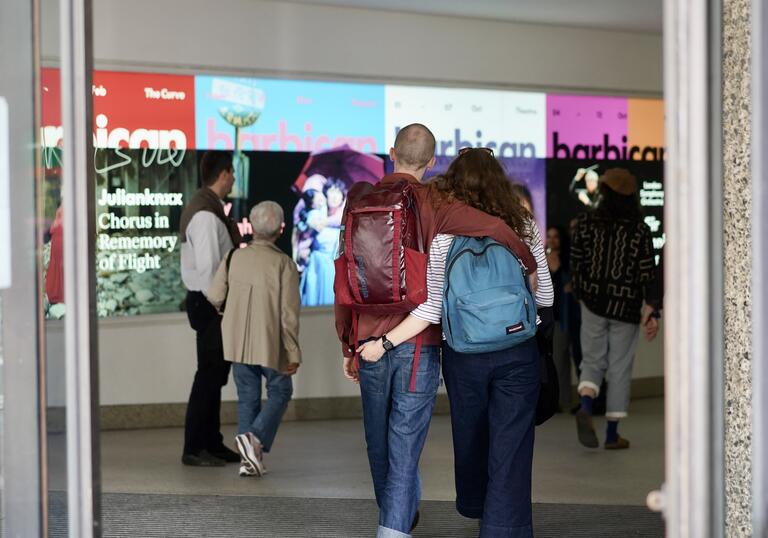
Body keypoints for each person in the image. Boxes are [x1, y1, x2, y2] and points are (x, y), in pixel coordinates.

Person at [335, 125, 536, 538]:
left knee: (378, 441)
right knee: (404, 444)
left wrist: (347, 343)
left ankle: (398, 512)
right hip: (419, 343)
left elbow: (343, 273)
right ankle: (394, 525)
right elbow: (496, 229)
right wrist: (528, 264)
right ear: (431, 161)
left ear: (391, 152)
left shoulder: (358, 200)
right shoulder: (436, 201)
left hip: (367, 338)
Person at [207, 201, 301, 477]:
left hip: (236, 340)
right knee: (281, 391)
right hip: (270, 340)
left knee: (247, 397)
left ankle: (249, 460)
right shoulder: (284, 264)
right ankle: (254, 439)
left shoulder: (234, 257)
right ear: (281, 230)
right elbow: (289, 315)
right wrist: (293, 352)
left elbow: (214, 296)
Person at [570, 168, 656, 450]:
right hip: (626, 306)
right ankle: (611, 435)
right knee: (619, 366)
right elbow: (647, 272)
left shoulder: (585, 223)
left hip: (593, 302)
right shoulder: (639, 230)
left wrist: (582, 293)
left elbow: (576, 262)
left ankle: (585, 405)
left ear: (604, 192)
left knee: (592, 360)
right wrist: (652, 308)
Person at [179, 151, 242, 467]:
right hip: (209, 304)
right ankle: (194, 447)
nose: (233, 178)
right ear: (224, 174)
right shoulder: (204, 214)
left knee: (215, 374)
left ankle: (212, 442)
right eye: (232, 172)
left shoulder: (209, 207)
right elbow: (207, 269)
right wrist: (219, 305)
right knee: (207, 375)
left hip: (212, 303)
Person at [547, 226, 576, 411]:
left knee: (570, 360)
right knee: (557, 361)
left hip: (570, 315)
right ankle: (559, 401)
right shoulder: (541, 260)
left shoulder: (569, 259)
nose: (552, 240)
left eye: (556, 236)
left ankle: (567, 400)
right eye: (549, 237)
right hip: (552, 316)